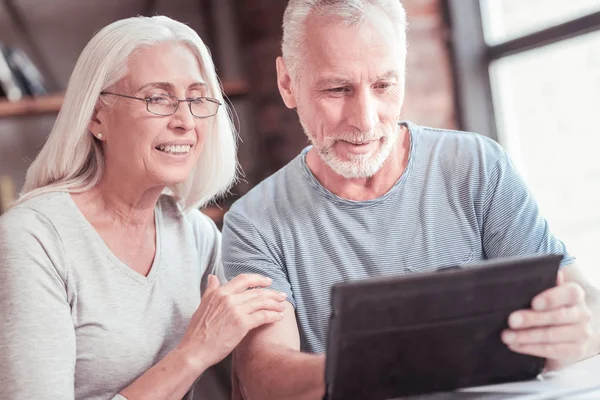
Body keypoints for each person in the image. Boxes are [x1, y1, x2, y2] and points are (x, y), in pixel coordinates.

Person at [222, 1, 600, 399]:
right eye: (337, 89)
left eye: (384, 85)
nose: (365, 121)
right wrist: (410, 358)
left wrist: (575, 330)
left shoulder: (477, 166)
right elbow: (264, 376)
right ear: (287, 84)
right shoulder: (255, 221)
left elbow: (586, 306)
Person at [0, 16, 288, 400]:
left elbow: (266, 346)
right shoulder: (33, 238)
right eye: (158, 98)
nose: (185, 121)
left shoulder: (194, 233)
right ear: (96, 116)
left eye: (196, 99)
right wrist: (194, 353)